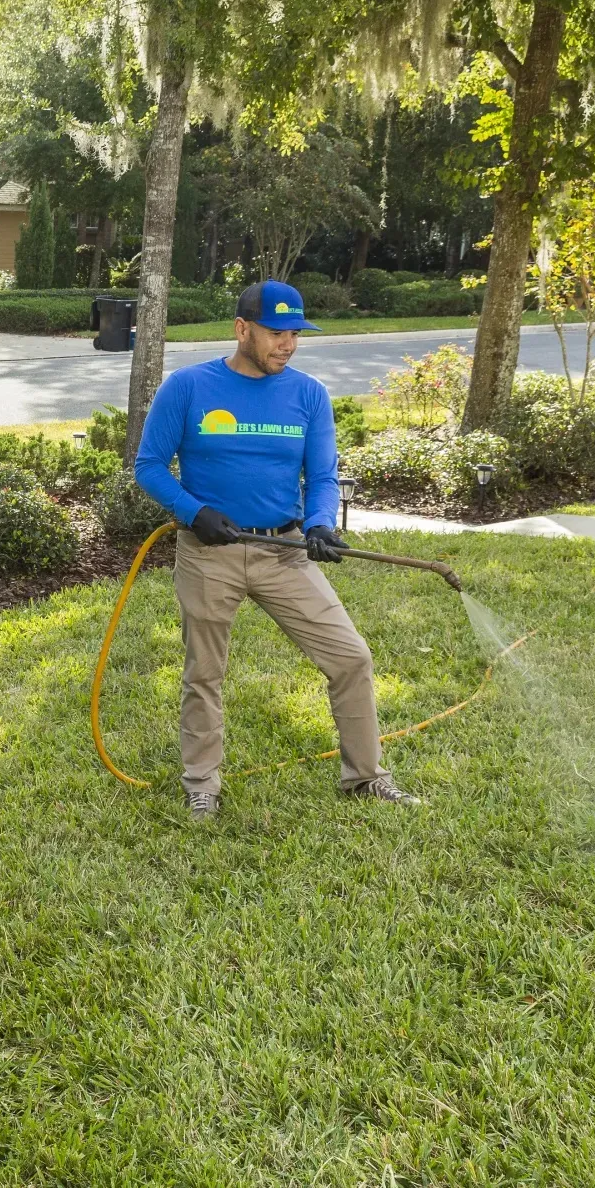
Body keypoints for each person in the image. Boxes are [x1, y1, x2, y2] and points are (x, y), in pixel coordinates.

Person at [131, 279, 423, 820]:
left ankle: (364, 776)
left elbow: (324, 474)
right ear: (242, 329)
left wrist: (318, 524)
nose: (286, 345)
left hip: (284, 549)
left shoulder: (308, 394)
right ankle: (202, 784)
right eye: (275, 333)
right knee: (205, 674)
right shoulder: (189, 387)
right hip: (209, 551)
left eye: (295, 335)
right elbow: (148, 466)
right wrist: (194, 512)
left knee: (351, 658)